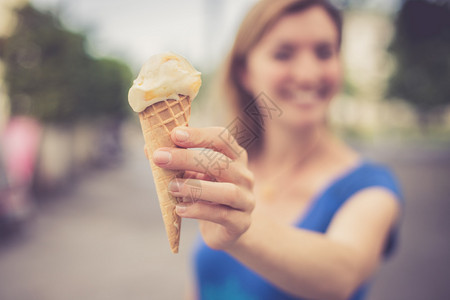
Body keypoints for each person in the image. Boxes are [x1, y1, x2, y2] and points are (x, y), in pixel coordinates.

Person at [152, 0, 403, 299]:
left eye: (324, 52)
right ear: (245, 71)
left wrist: (243, 229)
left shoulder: (369, 187)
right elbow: (203, 284)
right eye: (283, 54)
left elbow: (341, 277)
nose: (308, 74)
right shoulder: (229, 171)